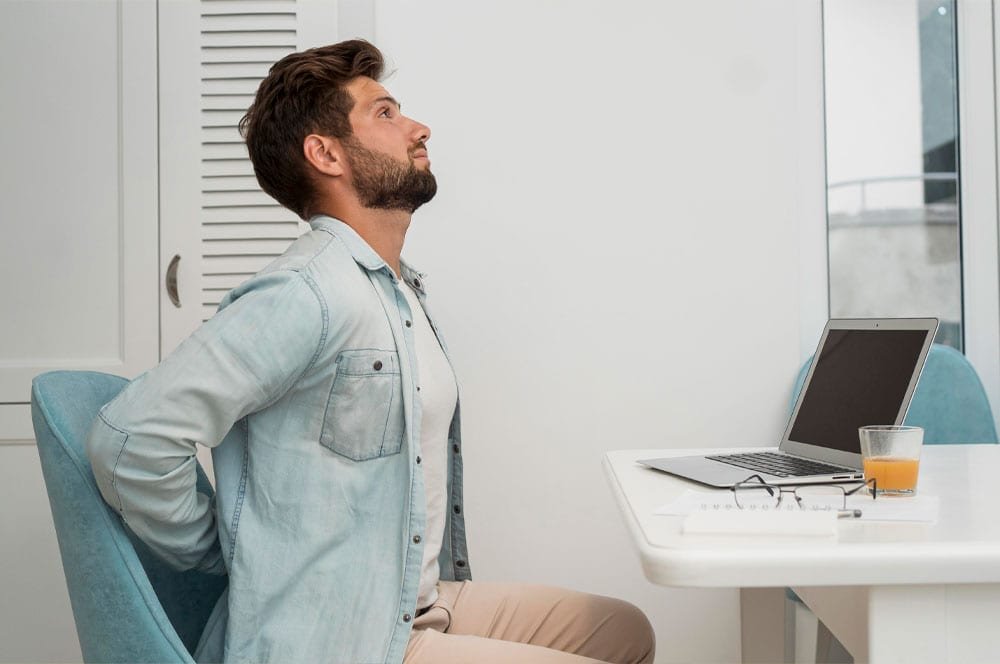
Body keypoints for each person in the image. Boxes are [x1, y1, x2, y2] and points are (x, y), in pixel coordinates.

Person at [86, 39, 655, 664]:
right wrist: (231, 550)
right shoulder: (307, 292)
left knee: (622, 631)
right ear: (326, 153)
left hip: (412, 602)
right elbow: (132, 436)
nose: (418, 127)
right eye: (385, 113)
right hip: (340, 637)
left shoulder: (394, 288)